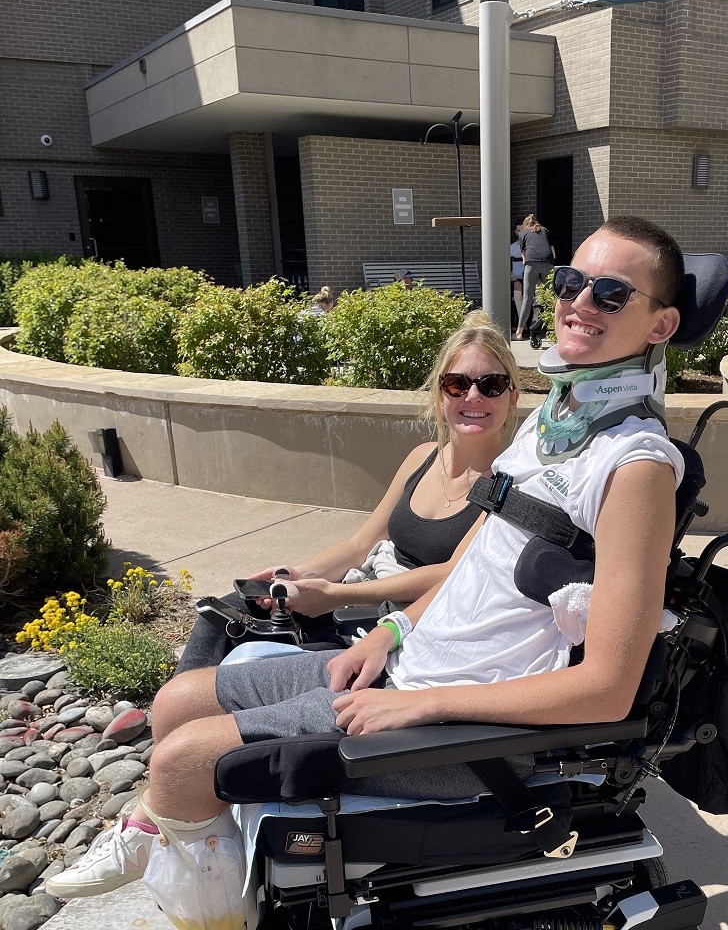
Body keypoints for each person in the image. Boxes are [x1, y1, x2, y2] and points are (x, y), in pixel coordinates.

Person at [46, 216, 685, 899]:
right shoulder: (547, 428)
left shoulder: (635, 465)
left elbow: (610, 687)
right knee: (178, 700)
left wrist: (425, 706)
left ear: (661, 326)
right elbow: (474, 561)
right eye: (570, 281)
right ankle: (205, 860)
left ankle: (205, 889)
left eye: (611, 294)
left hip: (465, 727)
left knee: (182, 759)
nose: (579, 302)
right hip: (411, 667)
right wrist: (389, 630)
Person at [173, 312, 522, 674]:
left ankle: (185, 717)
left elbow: (452, 574)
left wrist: (334, 596)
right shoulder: (423, 457)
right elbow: (359, 545)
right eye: (457, 384)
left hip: (409, 625)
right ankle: (173, 709)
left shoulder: (510, 482)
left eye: (491, 385)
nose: (474, 395)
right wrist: (299, 573)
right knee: (228, 610)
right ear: (439, 396)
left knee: (265, 671)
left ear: (512, 399)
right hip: (364, 597)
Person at [514, 213, 556, 345]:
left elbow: (524, 258)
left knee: (527, 298)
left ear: (526, 225)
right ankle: (555, 331)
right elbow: (553, 253)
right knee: (551, 298)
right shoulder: (545, 230)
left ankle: (519, 333)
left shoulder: (523, 234)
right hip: (548, 263)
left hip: (531, 264)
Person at [509, 221, 524, 328]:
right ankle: (521, 321)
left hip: (529, 277)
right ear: (516, 232)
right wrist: (511, 275)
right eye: (519, 231)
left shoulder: (531, 246)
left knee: (539, 286)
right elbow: (505, 263)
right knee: (518, 286)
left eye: (523, 230)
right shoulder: (512, 247)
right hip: (516, 278)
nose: (521, 233)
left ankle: (535, 320)